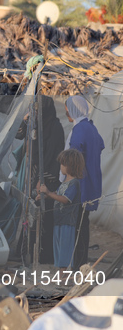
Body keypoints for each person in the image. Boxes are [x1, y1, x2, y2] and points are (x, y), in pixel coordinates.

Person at [15, 96, 65, 265]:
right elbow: (18, 135)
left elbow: (51, 156)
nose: (35, 112)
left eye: (37, 110)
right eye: (34, 110)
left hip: (48, 177)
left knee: (46, 215)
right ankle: (31, 250)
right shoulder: (35, 124)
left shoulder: (55, 128)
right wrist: (25, 119)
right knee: (32, 213)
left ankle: (46, 256)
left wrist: (41, 179)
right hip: (35, 174)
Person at [64, 96, 104, 270]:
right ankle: (81, 262)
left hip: (81, 183)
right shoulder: (91, 128)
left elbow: (73, 156)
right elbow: (100, 145)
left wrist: (67, 182)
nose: (66, 112)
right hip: (92, 180)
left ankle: (77, 263)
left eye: (68, 109)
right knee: (83, 222)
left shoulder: (80, 129)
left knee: (77, 224)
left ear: (74, 110)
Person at [38, 149, 84, 276]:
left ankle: (65, 275)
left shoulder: (74, 184)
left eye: (63, 164)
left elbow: (64, 199)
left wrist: (48, 193)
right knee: (58, 248)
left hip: (67, 222)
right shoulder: (64, 182)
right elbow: (57, 194)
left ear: (70, 166)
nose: (61, 167)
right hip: (58, 220)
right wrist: (46, 196)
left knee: (65, 249)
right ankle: (61, 273)